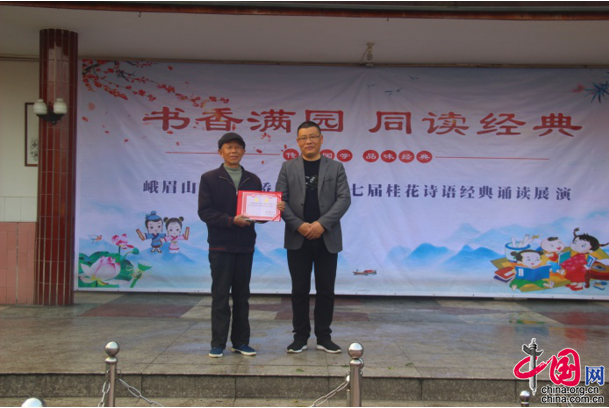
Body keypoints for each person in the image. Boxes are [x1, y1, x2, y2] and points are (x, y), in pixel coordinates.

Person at [276, 121, 351, 354]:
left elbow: (344, 199)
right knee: (299, 290)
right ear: (297, 142)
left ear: (321, 139)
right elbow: (280, 200)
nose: (308, 141)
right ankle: (300, 337)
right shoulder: (287, 167)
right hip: (297, 238)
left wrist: (321, 224)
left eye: (313, 136)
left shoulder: (335, 167)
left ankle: (324, 337)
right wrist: (298, 225)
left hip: (326, 238)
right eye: (303, 138)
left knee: (326, 290)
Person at [198, 132, 276, 358]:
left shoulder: (253, 179)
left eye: (238, 147)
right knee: (220, 296)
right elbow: (205, 212)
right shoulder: (209, 178)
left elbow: (259, 215)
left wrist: (273, 209)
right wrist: (231, 220)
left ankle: (241, 342)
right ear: (220, 152)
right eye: (229, 147)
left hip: (245, 247)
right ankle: (218, 343)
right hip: (220, 247)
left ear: (243, 152)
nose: (234, 151)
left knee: (242, 297)